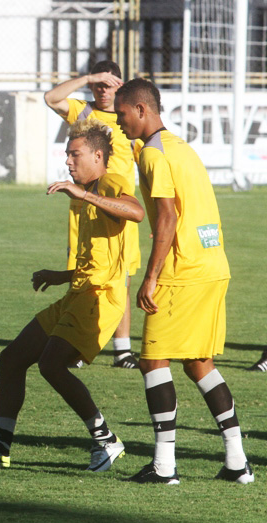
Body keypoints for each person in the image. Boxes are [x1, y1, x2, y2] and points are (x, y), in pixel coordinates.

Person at [0, 119, 144, 472]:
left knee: (51, 365)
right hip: (78, 292)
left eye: (75, 154)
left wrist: (84, 195)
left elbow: (136, 211)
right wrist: (60, 276)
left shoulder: (109, 182)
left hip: (99, 298)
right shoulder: (88, 191)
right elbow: (99, 259)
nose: (68, 161)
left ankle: (105, 439)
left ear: (98, 156)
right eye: (67, 154)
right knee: (12, 358)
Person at [114, 78, 253, 484]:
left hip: (183, 271)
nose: (119, 122)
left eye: (122, 113)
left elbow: (168, 217)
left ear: (142, 110)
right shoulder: (180, 147)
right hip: (213, 264)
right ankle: (237, 462)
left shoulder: (154, 154)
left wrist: (151, 277)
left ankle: (164, 466)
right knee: (198, 363)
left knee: (153, 361)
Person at [44, 61, 140, 369]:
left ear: (120, 86)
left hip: (120, 208)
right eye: (98, 85)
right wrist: (87, 77)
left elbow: (147, 168)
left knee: (121, 279)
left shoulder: (130, 122)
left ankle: (122, 351)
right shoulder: (84, 112)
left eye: (108, 85)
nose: (103, 91)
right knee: (82, 274)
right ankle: (75, 342)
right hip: (84, 208)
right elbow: (51, 98)